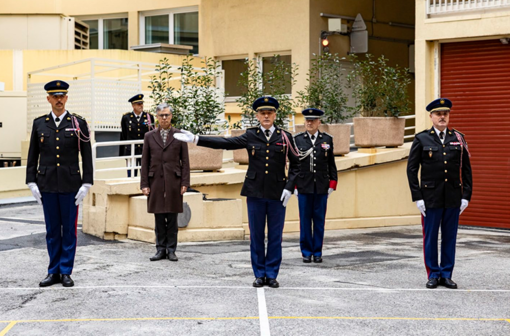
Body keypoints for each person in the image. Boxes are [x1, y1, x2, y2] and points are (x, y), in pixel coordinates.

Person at [173, 96, 299, 288]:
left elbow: (297, 165)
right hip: (255, 193)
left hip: (277, 194)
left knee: (275, 236)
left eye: (269, 112)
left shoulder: (285, 137)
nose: (266, 116)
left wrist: (290, 187)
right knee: (256, 236)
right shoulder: (251, 135)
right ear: (257, 115)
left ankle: (272, 274)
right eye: (262, 113)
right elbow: (226, 143)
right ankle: (259, 274)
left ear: (275, 115)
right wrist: (196, 139)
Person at [26, 80, 93, 287]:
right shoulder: (39, 124)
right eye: (54, 96)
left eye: (62, 96)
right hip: (46, 185)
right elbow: (32, 155)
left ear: (66, 98)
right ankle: (53, 270)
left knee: (70, 231)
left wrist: (86, 183)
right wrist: (31, 181)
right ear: (48, 99)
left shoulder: (77, 123)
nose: (59, 100)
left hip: (70, 185)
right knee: (52, 230)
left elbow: (87, 156)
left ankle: (66, 271)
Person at [407, 98, 472, 289]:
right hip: (430, 198)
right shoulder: (421, 138)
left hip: (452, 196)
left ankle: (446, 274)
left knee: (450, 237)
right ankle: (433, 274)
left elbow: (466, 169)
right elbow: (411, 170)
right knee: (431, 236)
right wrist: (417, 197)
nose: (442, 117)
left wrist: (466, 195)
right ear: (431, 117)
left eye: (445, 113)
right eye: (438, 114)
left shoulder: (458, 138)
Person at [140, 103, 190, 262]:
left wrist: (185, 182)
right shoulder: (149, 136)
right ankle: (160, 249)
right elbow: (145, 161)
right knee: (159, 217)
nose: (164, 118)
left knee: (173, 217)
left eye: (167, 115)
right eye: (161, 115)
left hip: (174, 181)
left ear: (171, 116)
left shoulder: (179, 135)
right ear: (157, 117)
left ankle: (171, 250)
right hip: (155, 181)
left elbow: (185, 161)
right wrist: (144, 184)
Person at [290, 108, 337, 263]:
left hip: (321, 186)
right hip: (303, 186)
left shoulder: (327, 139)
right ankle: (306, 252)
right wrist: (293, 186)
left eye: (313, 120)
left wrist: (333, 183)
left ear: (319, 122)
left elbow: (331, 163)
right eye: (307, 120)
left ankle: (317, 252)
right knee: (304, 221)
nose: (309, 123)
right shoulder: (297, 139)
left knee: (319, 221)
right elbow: (293, 165)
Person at [119, 94, 155, 177]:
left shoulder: (149, 116)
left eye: (142, 103)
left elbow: (152, 133)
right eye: (138, 104)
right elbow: (124, 135)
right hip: (131, 150)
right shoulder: (126, 118)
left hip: (144, 149)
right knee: (131, 174)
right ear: (133, 106)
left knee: (145, 174)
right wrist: (123, 151)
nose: (141, 106)